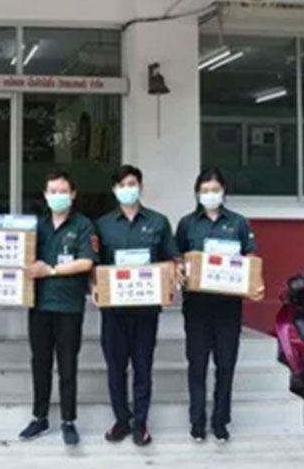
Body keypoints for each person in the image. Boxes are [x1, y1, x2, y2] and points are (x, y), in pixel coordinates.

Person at [174, 168, 265, 444]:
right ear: (197, 193)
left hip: (228, 306)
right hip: (197, 306)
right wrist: (178, 270)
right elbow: (177, 257)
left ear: (223, 191)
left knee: (226, 363)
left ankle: (221, 420)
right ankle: (197, 421)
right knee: (197, 364)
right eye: (204, 190)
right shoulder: (188, 224)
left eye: (214, 190)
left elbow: (250, 259)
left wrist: (256, 284)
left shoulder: (238, 223)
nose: (209, 195)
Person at [94, 165, 177, 446]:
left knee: (143, 366)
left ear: (140, 186)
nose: (127, 189)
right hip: (114, 311)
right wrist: (95, 286)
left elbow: (171, 260)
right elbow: (95, 266)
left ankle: (141, 423)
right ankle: (121, 419)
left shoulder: (158, 222)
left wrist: (168, 281)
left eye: (132, 183)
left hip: (145, 310)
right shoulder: (103, 224)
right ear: (115, 190)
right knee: (115, 367)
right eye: (121, 185)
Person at [18, 171, 97, 446]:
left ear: (73, 194)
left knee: (67, 365)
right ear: (45, 194)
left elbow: (87, 262)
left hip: (69, 306)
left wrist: (50, 270)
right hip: (39, 305)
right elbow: (20, 259)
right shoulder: (36, 227)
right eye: (52, 191)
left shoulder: (83, 225)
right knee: (40, 363)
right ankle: (39, 417)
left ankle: (68, 420)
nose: (57, 196)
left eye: (63, 191)